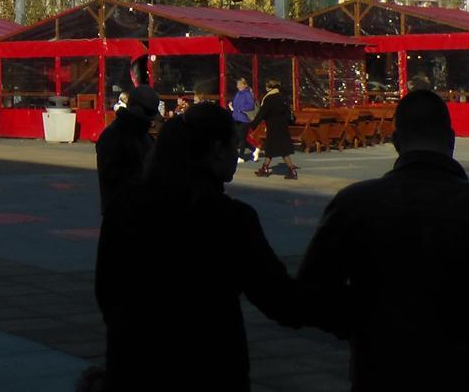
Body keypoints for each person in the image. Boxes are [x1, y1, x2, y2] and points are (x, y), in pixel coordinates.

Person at [95, 103, 309, 391]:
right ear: (218, 150)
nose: (236, 154)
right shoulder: (230, 219)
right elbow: (280, 300)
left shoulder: (123, 208)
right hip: (210, 367)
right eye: (234, 146)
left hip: (134, 365)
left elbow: (106, 290)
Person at [298, 89, 469, 391]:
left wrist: (361, 323)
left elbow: (312, 293)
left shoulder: (353, 204)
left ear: (396, 142)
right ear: (451, 139)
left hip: (379, 366)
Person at [95, 84, 160, 213]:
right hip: (120, 215)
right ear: (134, 108)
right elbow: (114, 180)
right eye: (148, 113)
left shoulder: (142, 135)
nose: (151, 120)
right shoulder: (115, 136)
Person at [250, 79, 297, 179]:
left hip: (273, 126)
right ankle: (265, 168)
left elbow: (261, 113)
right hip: (282, 126)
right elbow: (288, 112)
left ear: (269, 88)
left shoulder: (269, 98)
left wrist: (253, 126)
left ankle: (292, 170)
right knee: (271, 148)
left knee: (280, 150)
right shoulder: (283, 97)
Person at [229, 77, 256, 161]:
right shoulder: (238, 93)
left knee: (242, 138)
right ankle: (254, 149)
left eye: (239, 84)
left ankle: (241, 156)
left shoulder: (247, 94)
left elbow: (251, 106)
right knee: (238, 136)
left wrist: (241, 109)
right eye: (237, 84)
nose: (238, 86)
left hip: (244, 119)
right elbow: (235, 103)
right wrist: (231, 105)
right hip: (236, 117)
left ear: (244, 85)